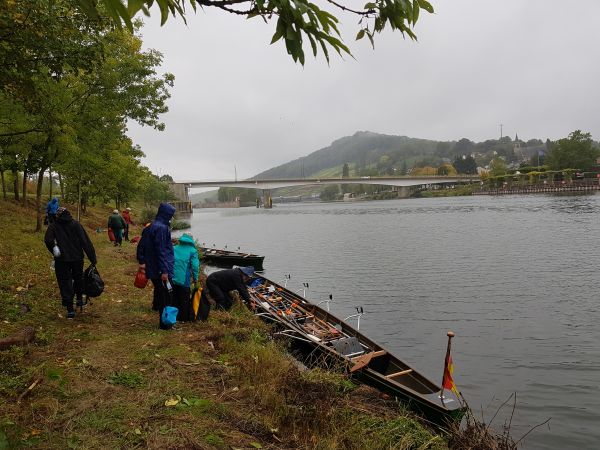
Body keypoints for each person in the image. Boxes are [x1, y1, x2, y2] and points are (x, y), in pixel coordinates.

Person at [44, 207, 97, 319]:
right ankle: (79, 299)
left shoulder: (54, 226)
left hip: (62, 259)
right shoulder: (76, 224)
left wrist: (54, 248)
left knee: (64, 282)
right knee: (78, 278)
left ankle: (70, 309)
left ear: (57, 216)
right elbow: (85, 241)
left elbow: (48, 240)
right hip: (77, 258)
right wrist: (92, 258)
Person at [136, 203, 176, 329]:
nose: (172, 217)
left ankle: (163, 319)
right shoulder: (162, 228)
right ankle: (165, 325)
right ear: (167, 214)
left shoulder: (151, 226)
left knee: (160, 293)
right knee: (166, 296)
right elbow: (162, 251)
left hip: (153, 267)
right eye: (171, 215)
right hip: (161, 269)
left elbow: (141, 245)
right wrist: (164, 271)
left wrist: (141, 260)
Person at [171, 233, 200, 321]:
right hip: (184, 280)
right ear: (191, 240)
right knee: (184, 299)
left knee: (174, 298)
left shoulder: (174, 248)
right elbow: (195, 267)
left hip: (172, 278)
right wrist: (195, 280)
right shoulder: (192, 251)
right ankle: (183, 318)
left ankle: (173, 316)